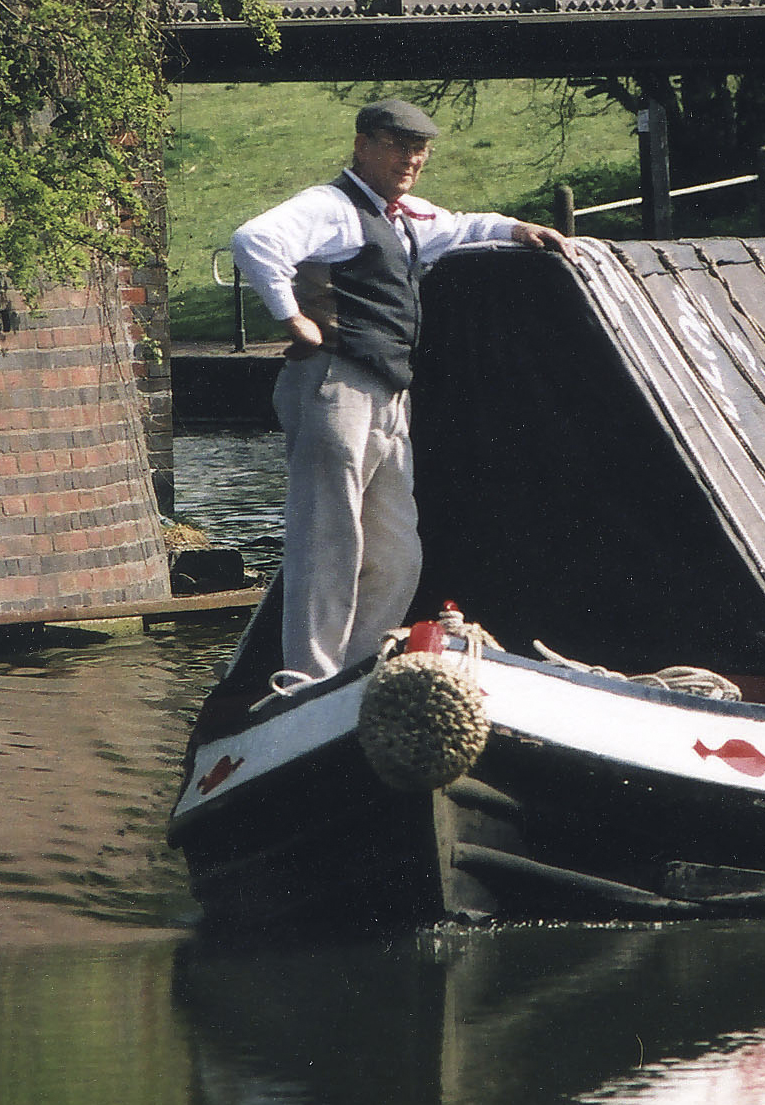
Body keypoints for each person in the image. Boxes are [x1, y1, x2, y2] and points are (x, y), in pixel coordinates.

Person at [231, 98, 575, 681]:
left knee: (396, 554)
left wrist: (514, 228)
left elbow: (464, 226)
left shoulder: (404, 215)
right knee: (330, 540)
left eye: (419, 149)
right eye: (398, 145)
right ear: (362, 144)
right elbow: (254, 240)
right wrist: (292, 319)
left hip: (388, 394)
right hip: (333, 385)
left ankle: (356, 675)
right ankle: (309, 680)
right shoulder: (330, 207)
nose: (411, 158)